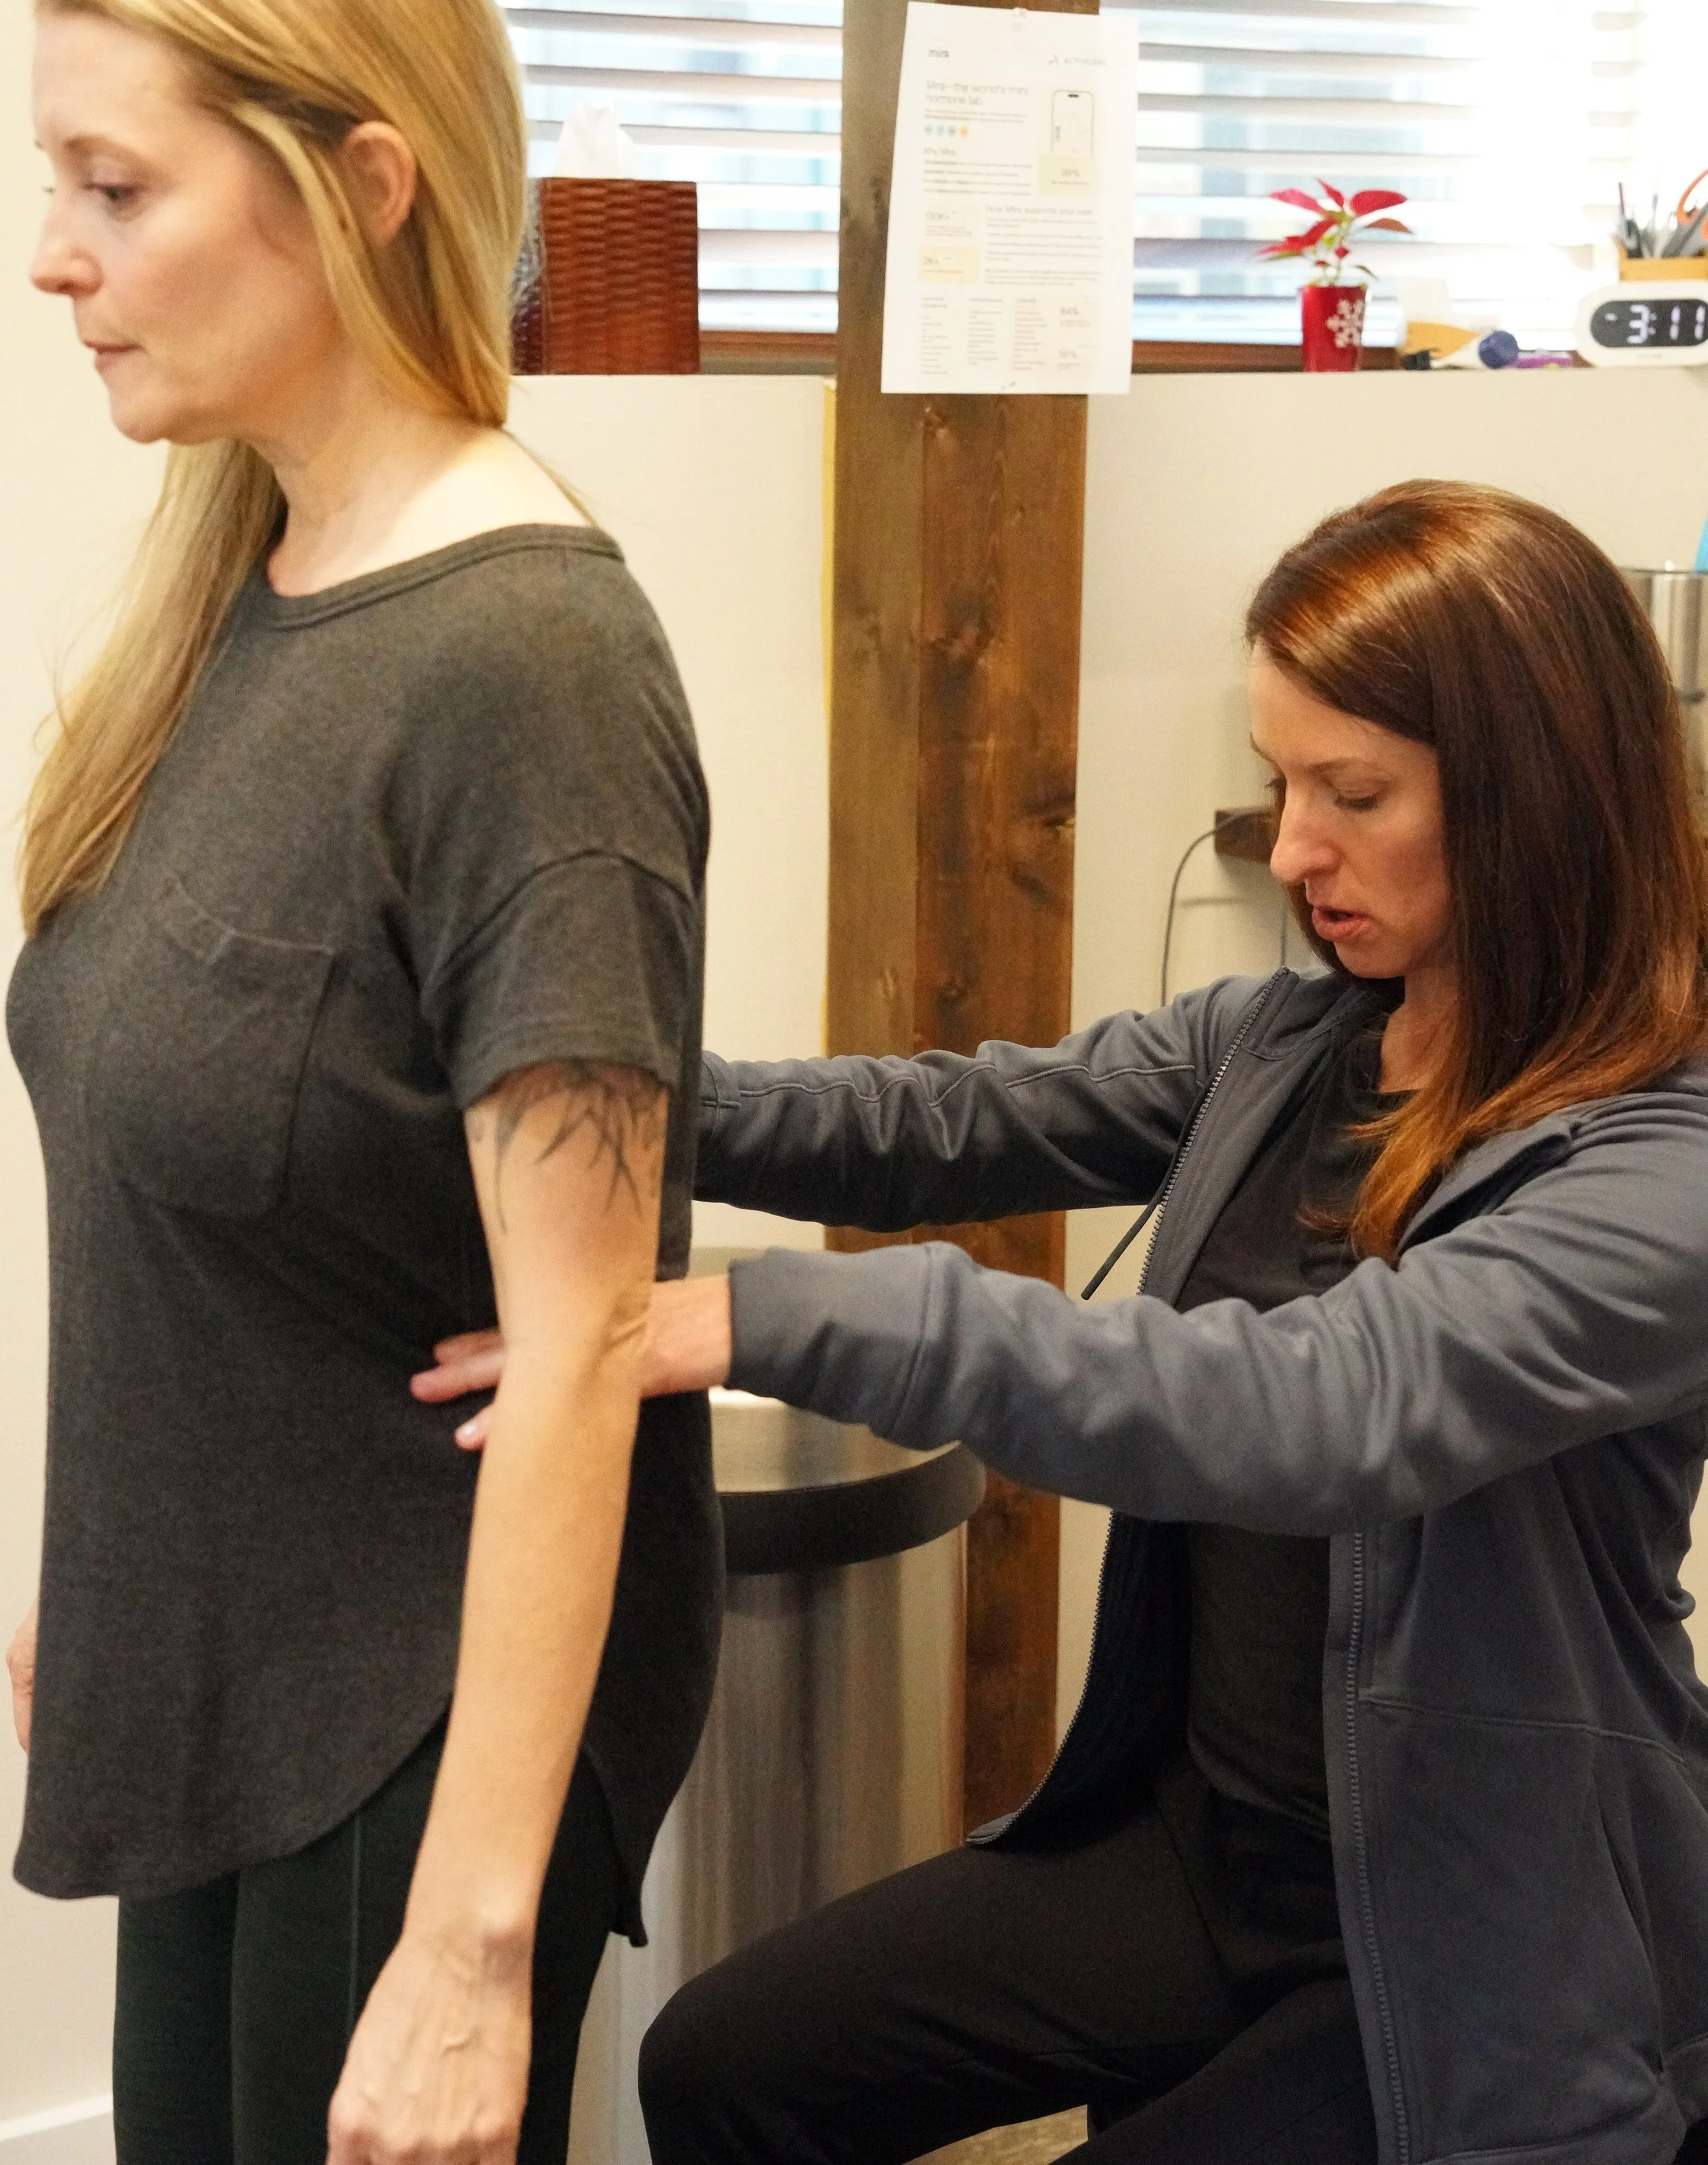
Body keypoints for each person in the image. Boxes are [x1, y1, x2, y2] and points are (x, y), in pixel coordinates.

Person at [424, 482, 1708, 2165]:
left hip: (1472, 1916)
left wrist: (757, 1316)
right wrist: (578, 1077)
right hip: (1206, 1845)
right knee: (725, 2068)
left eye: (1353, 794)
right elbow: (937, 1123)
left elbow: (1321, 1408)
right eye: (1277, 784)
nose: (1292, 849)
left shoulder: (1658, 1166)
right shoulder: (1288, 1042)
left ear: (1534, 797)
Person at [3, 0, 721, 2165]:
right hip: (225, 1665)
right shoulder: (248, 589)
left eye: (117, 187)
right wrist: (115, 1579)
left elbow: (584, 1338)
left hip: (412, 1718)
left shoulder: (526, 669)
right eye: (58, 183)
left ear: (363, 185)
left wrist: (472, 1942)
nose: (54, 258)